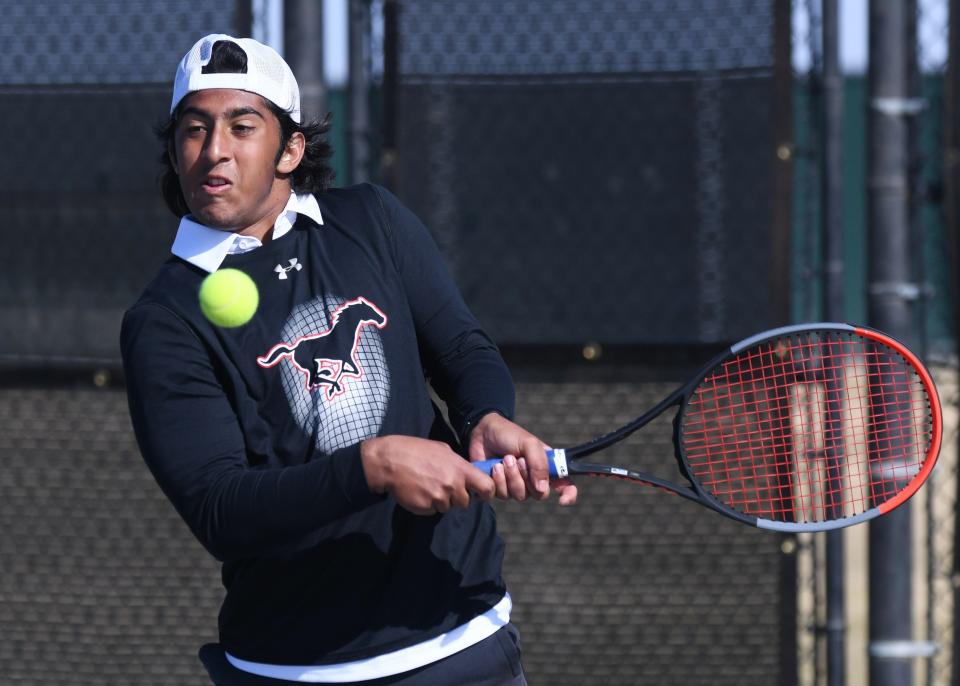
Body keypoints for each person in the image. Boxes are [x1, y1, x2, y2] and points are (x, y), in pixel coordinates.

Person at [121, 34, 576, 685]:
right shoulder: (163, 319)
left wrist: (487, 416)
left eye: (241, 126)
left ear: (291, 149)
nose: (213, 149)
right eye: (193, 130)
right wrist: (375, 466)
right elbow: (222, 509)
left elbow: (461, 348)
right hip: (293, 669)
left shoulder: (372, 221)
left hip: (462, 640)